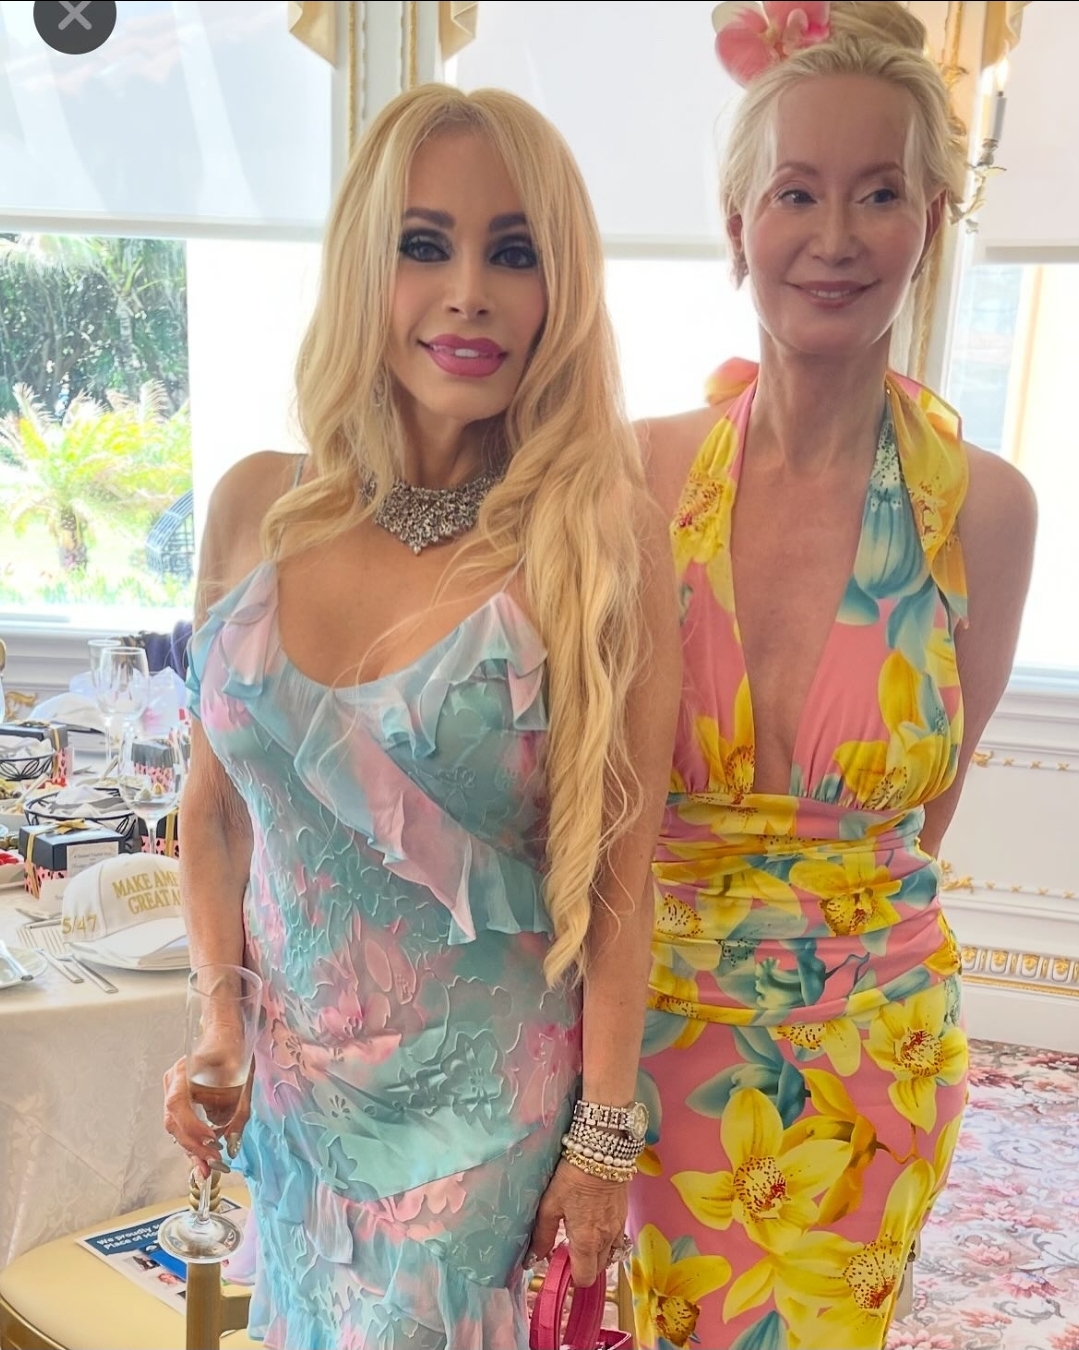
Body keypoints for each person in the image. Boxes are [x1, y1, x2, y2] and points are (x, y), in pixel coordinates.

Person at [162, 85, 681, 1349]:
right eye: (422, 244)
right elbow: (212, 816)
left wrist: (602, 1140)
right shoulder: (252, 509)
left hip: (476, 1126)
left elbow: (620, 879)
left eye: (513, 253)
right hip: (294, 1104)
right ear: (361, 264)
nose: (467, 293)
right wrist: (220, 1027)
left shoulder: (596, 540)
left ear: (559, 289)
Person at [627, 4, 1037, 1348]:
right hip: (643, 1039)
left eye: (878, 193)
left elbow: (930, 803)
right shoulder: (635, 470)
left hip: (873, 1048)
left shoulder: (983, 507)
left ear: (929, 220)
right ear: (735, 223)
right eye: (795, 192)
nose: (836, 235)